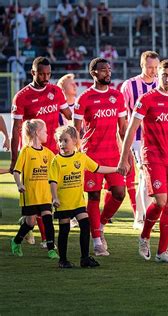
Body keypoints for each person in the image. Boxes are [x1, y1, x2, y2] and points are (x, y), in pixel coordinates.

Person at [117, 59, 168, 263]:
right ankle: (144, 236)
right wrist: (124, 158)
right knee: (160, 201)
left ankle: (162, 252)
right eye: (164, 74)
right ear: (157, 76)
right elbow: (131, 129)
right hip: (153, 157)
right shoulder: (146, 99)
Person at [10, 57, 71, 248]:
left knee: (52, 195)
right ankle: (46, 239)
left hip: (54, 152)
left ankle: (29, 224)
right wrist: (14, 159)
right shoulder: (22, 96)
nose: (46, 77)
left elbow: (69, 115)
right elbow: (16, 130)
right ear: (33, 73)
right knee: (41, 197)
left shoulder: (56, 91)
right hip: (33, 153)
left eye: (49, 74)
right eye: (42, 74)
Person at [74, 58, 127, 257]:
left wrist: (126, 154)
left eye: (109, 69)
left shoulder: (117, 96)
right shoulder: (85, 98)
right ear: (93, 73)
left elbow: (122, 129)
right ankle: (96, 241)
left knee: (119, 193)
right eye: (103, 70)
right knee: (94, 195)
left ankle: (101, 225)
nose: (108, 72)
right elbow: (76, 131)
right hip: (91, 155)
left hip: (113, 154)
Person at [49, 126, 117, 268]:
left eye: (65, 140)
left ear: (75, 141)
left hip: (78, 202)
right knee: (64, 230)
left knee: (85, 226)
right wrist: (55, 198)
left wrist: (116, 169)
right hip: (63, 203)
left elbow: (98, 168)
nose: (62, 144)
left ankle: (85, 258)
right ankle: (63, 260)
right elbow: (53, 181)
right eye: (59, 141)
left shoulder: (81, 157)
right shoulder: (56, 161)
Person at [120, 50, 160, 230]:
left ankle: (145, 214)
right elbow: (122, 115)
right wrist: (123, 143)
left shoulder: (161, 84)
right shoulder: (129, 85)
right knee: (145, 175)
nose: (153, 71)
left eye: (156, 67)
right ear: (142, 66)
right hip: (137, 138)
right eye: (150, 67)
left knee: (152, 176)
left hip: (158, 138)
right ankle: (140, 216)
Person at [11, 119, 59, 259]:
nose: (47, 134)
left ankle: (51, 249)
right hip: (30, 194)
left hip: (45, 194)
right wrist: (20, 185)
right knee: (30, 222)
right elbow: (16, 171)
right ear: (37, 133)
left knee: (48, 220)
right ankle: (16, 241)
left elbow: (57, 166)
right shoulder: (26, 151)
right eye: (45, 131)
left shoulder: (48, 153)